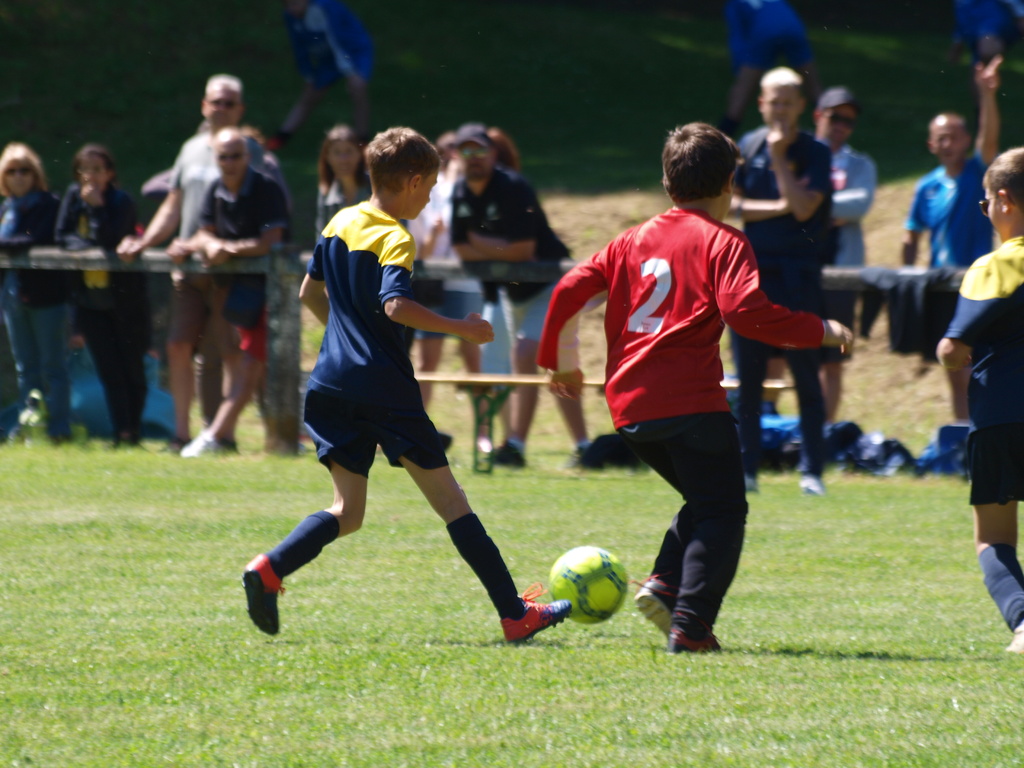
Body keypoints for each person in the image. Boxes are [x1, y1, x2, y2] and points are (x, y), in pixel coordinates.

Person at [241, 126, 572, 642]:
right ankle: (516, 615)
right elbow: (396, 305)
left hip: (329, 384)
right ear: (413, 181)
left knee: (347, 512)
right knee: (453, 504)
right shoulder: (396, 237)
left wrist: (344, 339)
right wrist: (462, 327)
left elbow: (309, 292)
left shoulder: (340, 221)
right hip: (384, 389)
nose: (432, 197)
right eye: (431, 186)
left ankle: (268, 568)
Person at [538, 123, 852, 652]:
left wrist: (561, 362)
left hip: (629, 409)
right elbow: (746, 312)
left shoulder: (631, 240)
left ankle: (666, 584)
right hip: (689, 401)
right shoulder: (726, 242)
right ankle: (691, 624)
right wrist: (818, 329)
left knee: (707, 497)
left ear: (667, 184)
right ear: (731, 183)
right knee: (724, 509)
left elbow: (569, 287)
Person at [117, 74, 286, 453]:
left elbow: (271, 216)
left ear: (240, 109)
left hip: (232, 271)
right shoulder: (190, 149)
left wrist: (231, 249)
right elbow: (173, 204)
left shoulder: (253, 152)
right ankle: (182, 435)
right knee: (179, 346)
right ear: (203, 105)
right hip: (190, 264)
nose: (221, 108)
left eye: (229, 103)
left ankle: (221, 435)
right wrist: (144, 241)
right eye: (215, 102)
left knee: (229, 352)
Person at [450, 122, 589, 468]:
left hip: (550, 285)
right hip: (511, 293)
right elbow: (459, 249)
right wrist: (499, 249)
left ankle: (520, 446)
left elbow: (523, 250)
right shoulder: (459, 192)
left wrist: (480, 243)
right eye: (466, 150)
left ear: (493, 153)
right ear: (457, 155)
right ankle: (576, 445)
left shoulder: (513, 186)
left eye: (480, 150)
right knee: (539, 363)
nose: (474, 157)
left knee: (530, 354)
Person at [936, 146, 1024, 653]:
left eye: (985, 202)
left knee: (994, 538)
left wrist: (952, 356)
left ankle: (1023, 623)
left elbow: (953, 349)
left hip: (1002, 416)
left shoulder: (997, 265)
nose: (986, 211)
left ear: (1004, 200)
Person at [732, 67, 833, 496]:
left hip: (799, 277)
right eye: (774, 101)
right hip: (752, 279)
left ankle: (812, 472)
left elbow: (806, 208)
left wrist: (777, 159)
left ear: (801, 106)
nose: (781, 110)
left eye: (788, 102)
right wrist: (777, 206)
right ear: (761, 104)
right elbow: (730, 205)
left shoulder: (816, 152)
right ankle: (746, 471)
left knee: (807, 376)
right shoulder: (746, 146)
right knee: (749, 379)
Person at [170, 128, 289, 457]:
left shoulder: (266, 188)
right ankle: (223, 436)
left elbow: (272, 241)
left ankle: (218, 436)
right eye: (224, 157)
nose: (230, 163)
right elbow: (205, 233)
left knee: (254, 367)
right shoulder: (215, 188)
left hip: (271, 293)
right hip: (234, 291)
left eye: (236, 156)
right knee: (242, 363)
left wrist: (227, 249)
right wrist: (201, 244)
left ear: (247, 157)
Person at [902, 55, 1002, 422]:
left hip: (977, 283)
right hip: (942, 285)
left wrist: (986, 95)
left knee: (981, 367)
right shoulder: (926, 186)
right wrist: (908, 280)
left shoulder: (978, 173)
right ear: (931, 144)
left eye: (954, 137)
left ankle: (983, 428)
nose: (947, 143)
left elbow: (989, 138)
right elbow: (911, 235)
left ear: (966, 140)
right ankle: (963, 434)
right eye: (940, 138)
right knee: (955, 371)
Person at [55, 143, 150, 447]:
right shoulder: (73, 197)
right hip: (89, 301)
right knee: (109, 371)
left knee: (132, 368)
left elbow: (111, 241)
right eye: (85, 170)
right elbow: (62, 237)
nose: (91, 176)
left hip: (125, 301)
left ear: (109, 173)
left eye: (97, 169)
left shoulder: (121, 201)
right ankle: (120, 433)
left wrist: (96, 208)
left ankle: (134, 430)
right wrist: (86, 245)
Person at [406, 131, 485, 421]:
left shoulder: (475, 188)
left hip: (467, 283)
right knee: (427, 363)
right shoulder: (427, 193)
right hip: (432, 284)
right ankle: (417, 428)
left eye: (459, 149)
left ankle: (484, 432)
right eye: (448, 149)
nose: (454, 154)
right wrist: (434, 233)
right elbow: (419, 252)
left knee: (473, 360)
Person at [813, 86, 877, 424]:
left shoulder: (861, 163)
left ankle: (825, 432)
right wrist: (831, 209)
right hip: (801, 267)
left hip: (841, 273)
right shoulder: (799, 154)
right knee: (781, 354)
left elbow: (860, 204)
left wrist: (810, 205)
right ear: (817, 116)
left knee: (833, 360)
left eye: (848, 121)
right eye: (835, 117)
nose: (840, 125)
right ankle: (776, 429)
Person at [0, 142, 70, 442]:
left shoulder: (49, 204)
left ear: (35, 174)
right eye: (11, 171)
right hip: (13, 296)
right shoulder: (6, 209)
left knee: (53, 366)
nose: (18, 176)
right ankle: (30, 425)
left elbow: (34, 238)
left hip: (46, 297)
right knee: (25, 367)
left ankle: (59, 428)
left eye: (24, 170)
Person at [268, 0, 373, 150]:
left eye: (295, 3)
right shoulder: (290, 16)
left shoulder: (325, 7)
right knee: (310, 94)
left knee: (357, 88)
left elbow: (337, 40)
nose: (291, 8)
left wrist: (351, 72)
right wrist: (309, 75)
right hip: (328, 58)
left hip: (352, 52)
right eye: (287, 4)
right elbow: (298, 47)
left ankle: (363, 140)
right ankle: (280, 138)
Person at [718, 0, 821, 138]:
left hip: (764, 32)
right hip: (794, 28)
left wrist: (740, 71)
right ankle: (831, 125)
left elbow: (737, 39)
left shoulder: (734, 4)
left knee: (740, 95)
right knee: (814, 87)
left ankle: (720, 140)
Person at [314, 124, 370, 234]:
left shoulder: (377, 188)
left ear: (360, 154)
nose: (343, 159)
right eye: (337, 153)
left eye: (349, 151)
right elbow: (322, 236)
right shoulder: (326, 191)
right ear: (327, 157)